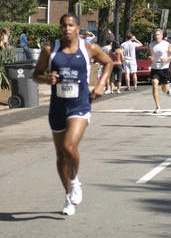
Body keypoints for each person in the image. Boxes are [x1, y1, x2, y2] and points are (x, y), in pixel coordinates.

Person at [32, 13, 113, 216]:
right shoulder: (50, 50)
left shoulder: (88, 48)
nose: (67, 28)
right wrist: (46, 79)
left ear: (78, 28)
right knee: (60, 155)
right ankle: (68, 196)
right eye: (63, 25)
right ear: (60, 29)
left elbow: (109, 62)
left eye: (71, 25)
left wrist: (101, 84)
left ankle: (75, 181)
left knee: (69, 147)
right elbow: (35, 75)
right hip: (57, 106)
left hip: (80, 104)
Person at [148, 29, 171, 114]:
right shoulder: (151, 45)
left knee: (164, 89)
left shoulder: (166, 44)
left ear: (162, 36)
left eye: (158, 35)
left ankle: (168, 89)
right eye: (155, 35)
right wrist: (149, 57)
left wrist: (166, 59)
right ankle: (158, 107)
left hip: (164, 68)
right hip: (155, 68)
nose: (156, 36)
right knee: (154, 85)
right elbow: (148, 54)